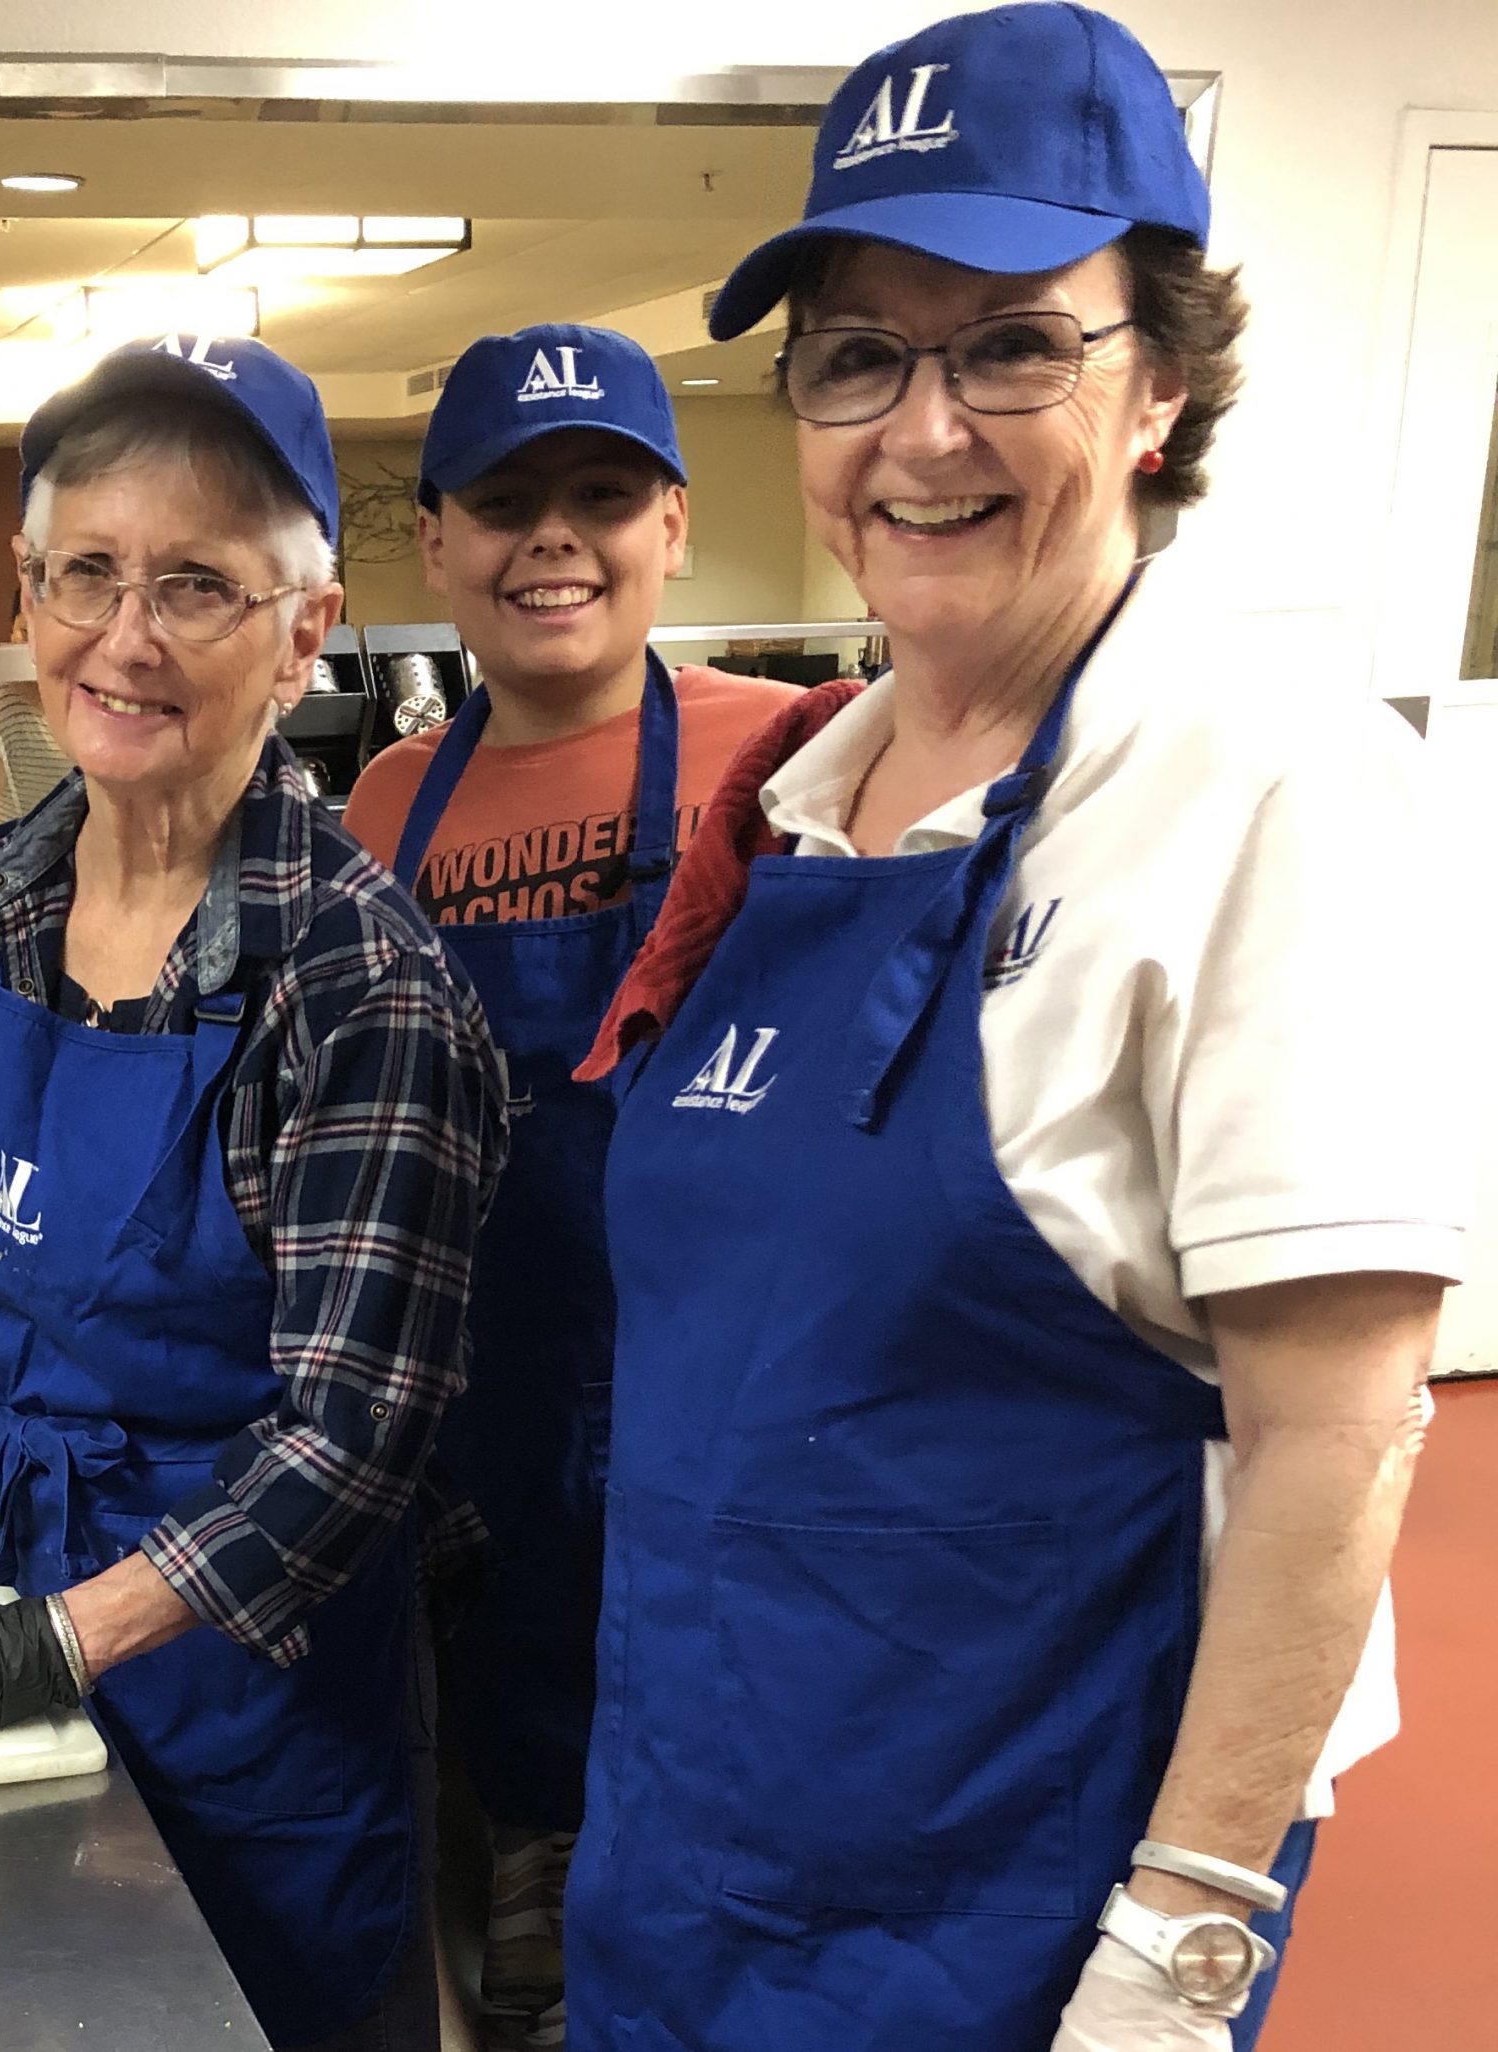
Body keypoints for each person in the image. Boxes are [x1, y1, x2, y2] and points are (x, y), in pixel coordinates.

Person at [561, 9, 1468, 2051]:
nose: (922, 429)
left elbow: (1338, 1437)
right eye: (857, 355)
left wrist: (1178, 1951)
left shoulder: (1260, 786)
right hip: (688, 1857)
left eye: (1008, 346)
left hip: (1000, 1924)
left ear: (1152, 383)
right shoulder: (794, 795)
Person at [0, 333, 510, 2051]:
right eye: (90, 574)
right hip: (25, 1582)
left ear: (306, 631)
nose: (126, 637)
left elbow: (356, 1440)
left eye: (197, 584)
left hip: (258, 1686)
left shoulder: (359, 986)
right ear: (28, 593)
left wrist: (71, 1640)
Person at [341, 324, 796, 2050]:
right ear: (441, 543)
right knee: (516, 1640)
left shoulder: (794, 752)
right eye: (506, 501)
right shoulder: (394, 792)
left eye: (601, 494)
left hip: (711, 1325)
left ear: (672, 524)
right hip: (485, 1335)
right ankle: (536, 1860)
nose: (554, 538)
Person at [0, 594, 73, 836]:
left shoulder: (81, 691)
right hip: (12, 851)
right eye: (23, 632)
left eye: (42, 635)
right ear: (11, 631)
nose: (31, 647)